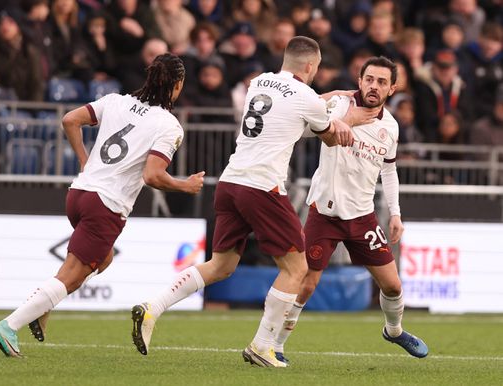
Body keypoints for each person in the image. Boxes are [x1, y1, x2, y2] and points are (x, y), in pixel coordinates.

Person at [130, 36, 355, 368]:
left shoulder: (258, 82)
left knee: (221, 265)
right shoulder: (308, 98)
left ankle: (153, 307)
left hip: (231, 181)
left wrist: (325, 103)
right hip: (262, 187)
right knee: (297, 269)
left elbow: (291, 112)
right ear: (311, 66)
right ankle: (262, 346)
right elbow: (330, 136)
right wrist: (344, 118)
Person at [0, 53, 205, 357]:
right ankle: (8, 326)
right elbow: (153, 175)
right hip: (106, 205)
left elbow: (69, 119)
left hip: (79, 194)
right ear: (177, 85)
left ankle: (41, 305)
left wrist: (83, 160)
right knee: (71, 275)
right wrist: (185, 185)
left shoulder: (115, 100)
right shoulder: (168, 125)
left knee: (103, 260)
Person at [273, 56, 429, 365]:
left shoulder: (391, 126)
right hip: (325, 213)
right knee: (306, 283)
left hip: (362, 216)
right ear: (359, 81)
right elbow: (304, 127)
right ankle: (275, 345)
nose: (374, 86)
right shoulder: (339, 107)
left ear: (392, 88)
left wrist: (395, 213)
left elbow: (389, 170)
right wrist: (330, 103)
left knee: (393, 285)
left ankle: (394, 330)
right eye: (369, 79)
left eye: (382, 82)